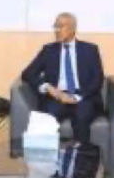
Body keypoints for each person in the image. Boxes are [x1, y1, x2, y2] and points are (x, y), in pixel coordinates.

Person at [22, 12, 104, 144]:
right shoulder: (48, 50)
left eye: (61, 26)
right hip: (57, 97)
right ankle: (48, 156)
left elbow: (97, 79)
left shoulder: (90, 50)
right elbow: (28, 73)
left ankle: (80, 154)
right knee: (47, 117)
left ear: (72, 29)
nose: (57, 30)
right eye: (55, 26)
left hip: (82, 97)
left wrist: (76, 97)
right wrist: (49, 88)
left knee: (82, 116)